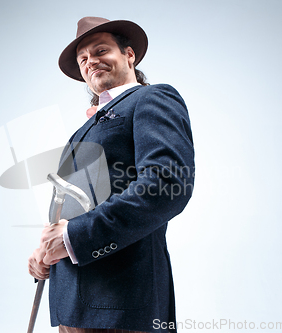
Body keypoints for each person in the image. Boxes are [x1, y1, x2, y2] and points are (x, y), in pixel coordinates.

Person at [28, 16, 195, 333]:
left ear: (129, 55)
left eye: (100, 50)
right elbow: (75, 205)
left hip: (122, 302)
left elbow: (165, 185)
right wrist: (45, 251)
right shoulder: (82, 130)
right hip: (71, 304)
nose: (91, 61)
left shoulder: (152, 98)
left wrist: (71, 238)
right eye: (83, 59)